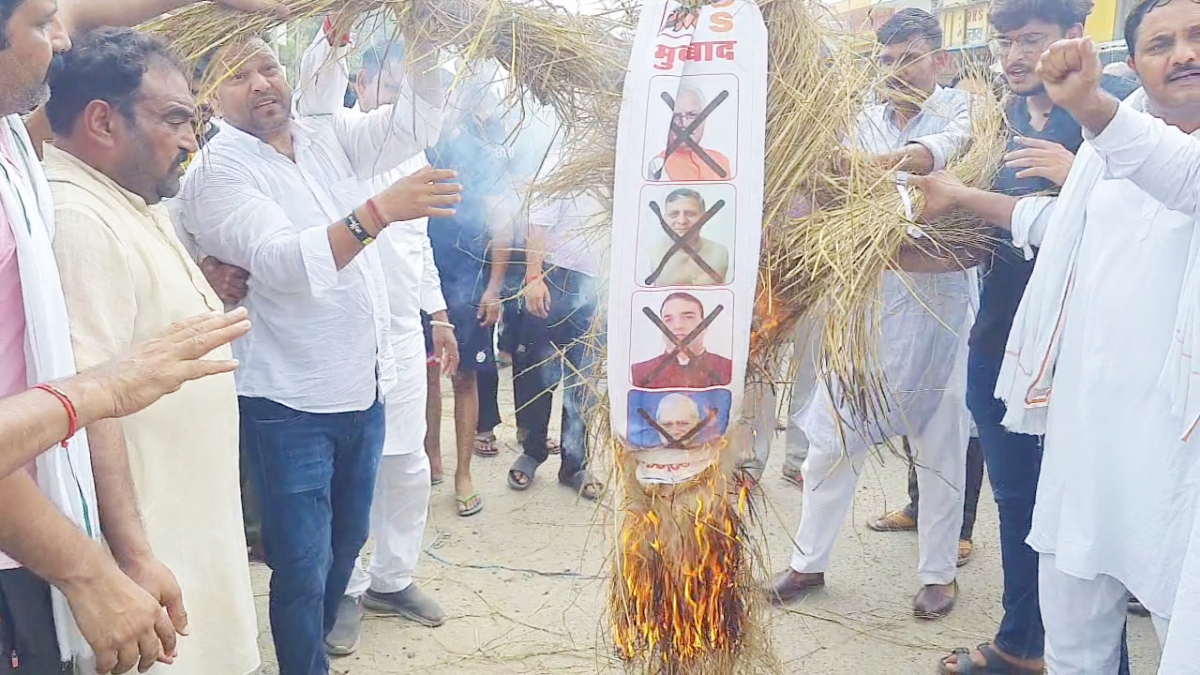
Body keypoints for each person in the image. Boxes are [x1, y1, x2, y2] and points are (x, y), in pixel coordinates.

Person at [917, 4, 1200, 669]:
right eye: (1162, 43)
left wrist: (1094, 108)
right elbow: (1055, 225)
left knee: (1181, 626)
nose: (1183, 53)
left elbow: (1181, 175)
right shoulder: (1107, 163)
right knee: (1075, 633)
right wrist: (957, 196)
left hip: (1176, 446)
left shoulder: (1130, 143)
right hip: (1088, 431)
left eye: (1197, 38)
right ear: (1136, 66)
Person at [0, 1, 271, 673]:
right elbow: (90, 408)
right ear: (100, 121)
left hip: (178, 537)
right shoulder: (78, 213)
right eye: (177, 118)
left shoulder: (122, 194)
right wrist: (127, 559)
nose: (191, 138)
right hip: (142, 556)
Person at [180, 34, 460, 674]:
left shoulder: (323, 134)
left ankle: (313, 659)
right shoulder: (217, 172)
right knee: (302, 565)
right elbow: (283, 263)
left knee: (343, 548)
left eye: (267, 67)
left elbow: (418, 121)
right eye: (236, 75)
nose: (260, 83)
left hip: (365, 388)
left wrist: (425, 32)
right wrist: (379, 211)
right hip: (289, 403)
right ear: (209, 96)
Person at [767, 8, 975, 620]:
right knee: (832, 438)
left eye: (908, 57)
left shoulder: (965, 112)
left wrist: (865, 171)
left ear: (942, 60)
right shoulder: (863, 120)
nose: (895, 70)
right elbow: (830, 189)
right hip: (864, 303)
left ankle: (939, 573)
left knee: (940, 445)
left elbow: (938, 153)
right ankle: (808, 561)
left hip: (940, 305)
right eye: (886, 60)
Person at [294, 28, 459, 655]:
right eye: (386, 84)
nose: (395, 98)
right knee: (352, 471)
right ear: (360, 85)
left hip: (400, 335)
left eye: (403, 85)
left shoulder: (415, 159)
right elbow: (313, 84)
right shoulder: (328, 140)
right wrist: (332, 34)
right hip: (343, 336)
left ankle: (395, 576)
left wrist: (439, 318)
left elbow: (422, 254)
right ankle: (348, 589)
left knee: (408, 463)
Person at [424, 71, 513, 517]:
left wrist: (495, 287)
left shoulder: (483, 156)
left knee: (465, 378)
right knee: (423, 376)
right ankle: (430, 461)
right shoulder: (410, 148)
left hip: (470, 283)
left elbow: (501, 222)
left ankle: (463, 473)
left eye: (448, 94)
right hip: (419, 284)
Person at [506, 194, 604, 499]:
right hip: (554, 275)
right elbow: (537, 224)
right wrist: (534, 277)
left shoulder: (625, 165)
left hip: (598, 285)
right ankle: (532, 451)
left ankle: (575, 464)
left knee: (584, 378)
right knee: (536, 372)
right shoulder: (567, 159)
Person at [631, 292, 734, 389]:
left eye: (688, 317)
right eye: (668, 319)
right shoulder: (638, 373)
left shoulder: (729, 369)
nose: (678, 326)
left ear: (705, 325)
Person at [644, 188, 730, 286]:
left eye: (690, 214)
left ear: (704, 217)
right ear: (665, 218)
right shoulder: (650, 254)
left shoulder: (721, 253)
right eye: (674, 214)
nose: (682, 221)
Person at [648, 85, 732, 181]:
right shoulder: (659, 165)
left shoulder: (721, 161)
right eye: (676, 116)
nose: (684, 124)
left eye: (692, 115)